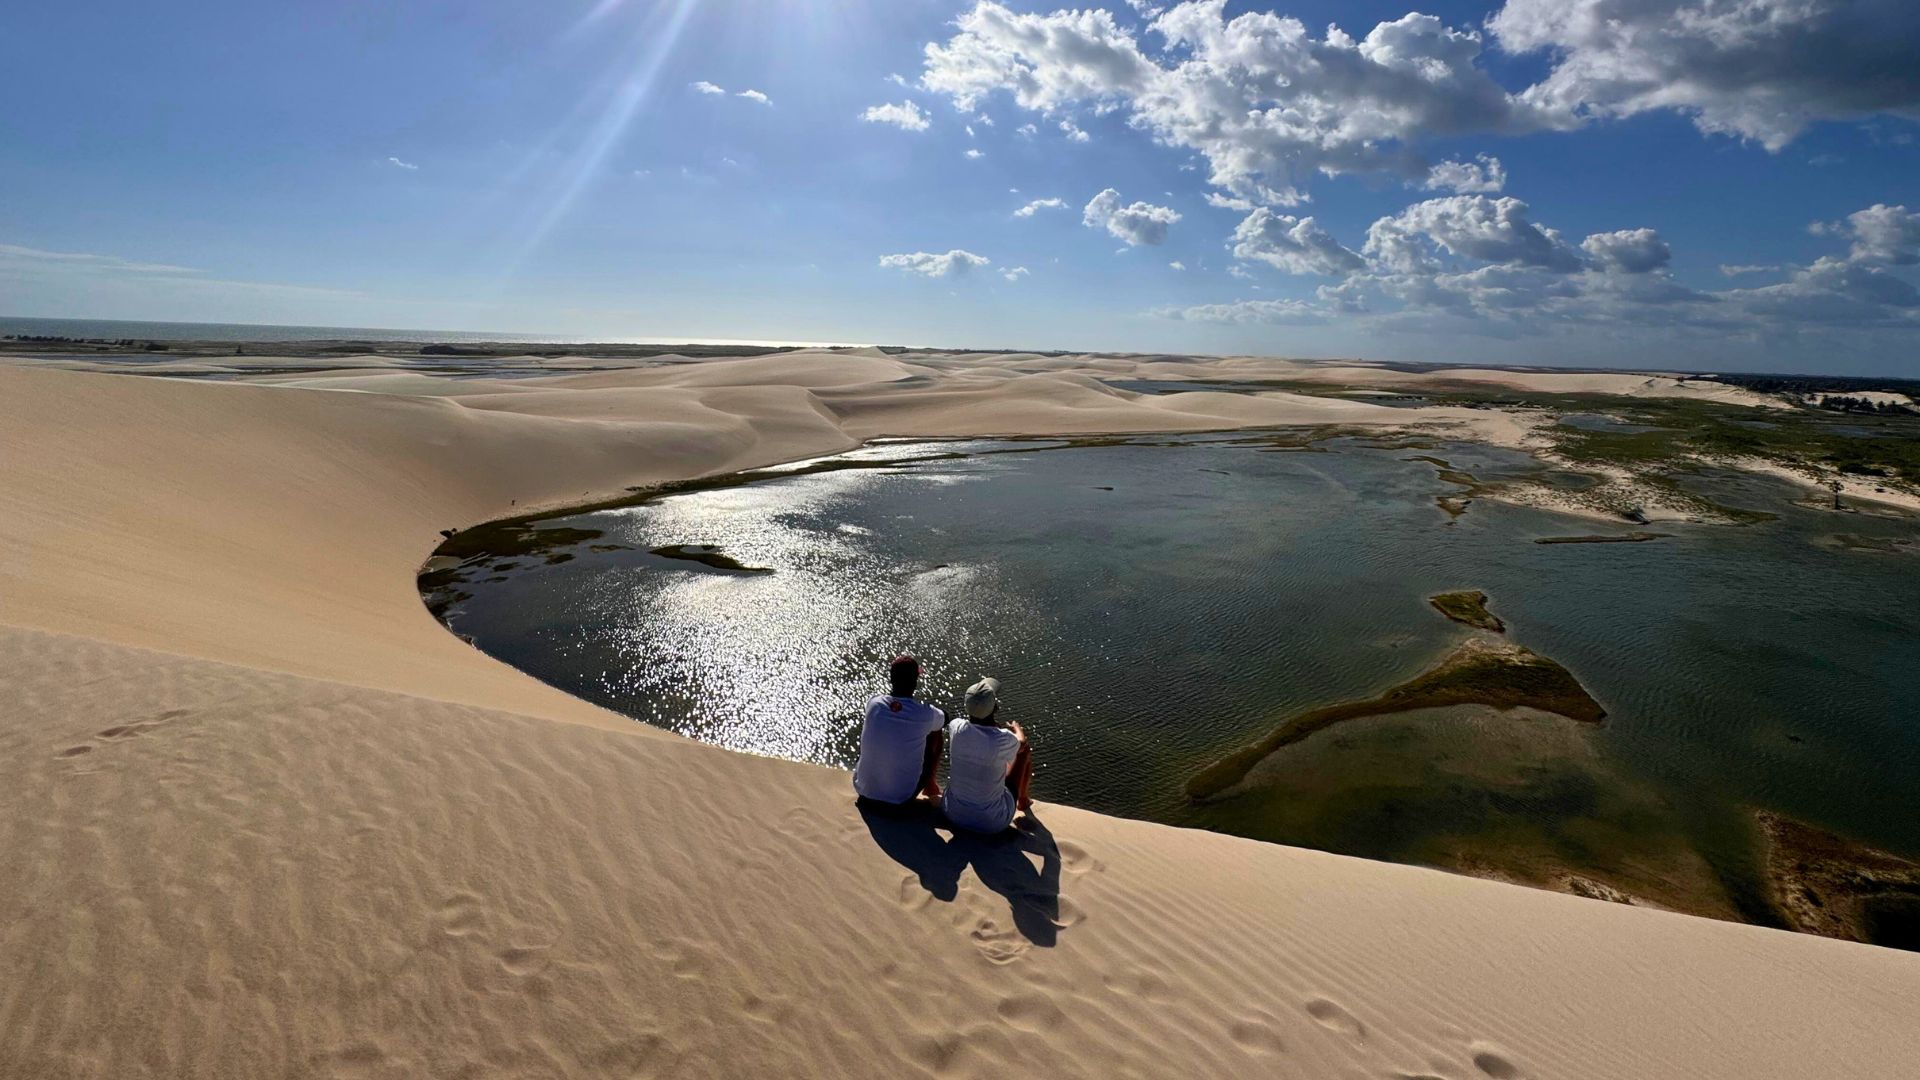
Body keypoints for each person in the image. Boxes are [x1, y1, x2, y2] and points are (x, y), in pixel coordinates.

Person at [852, 655, 948, 808]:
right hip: (901, 799)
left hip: (864, 792)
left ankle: (872, 778)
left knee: (877, 727)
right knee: (935, 730)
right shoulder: (923, 713)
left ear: (891, 679)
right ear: (915, 682)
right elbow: (946, 718)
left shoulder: (873, 703)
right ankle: (930, 785)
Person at [943, 677, 1035, 834]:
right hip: (992, 822)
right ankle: (1023, 800)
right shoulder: (1003, 739)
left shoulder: (955, 727)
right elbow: (1022, 743)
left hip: (952, 813)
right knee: (1022, 752)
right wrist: (1016, 728)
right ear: (995, 708)